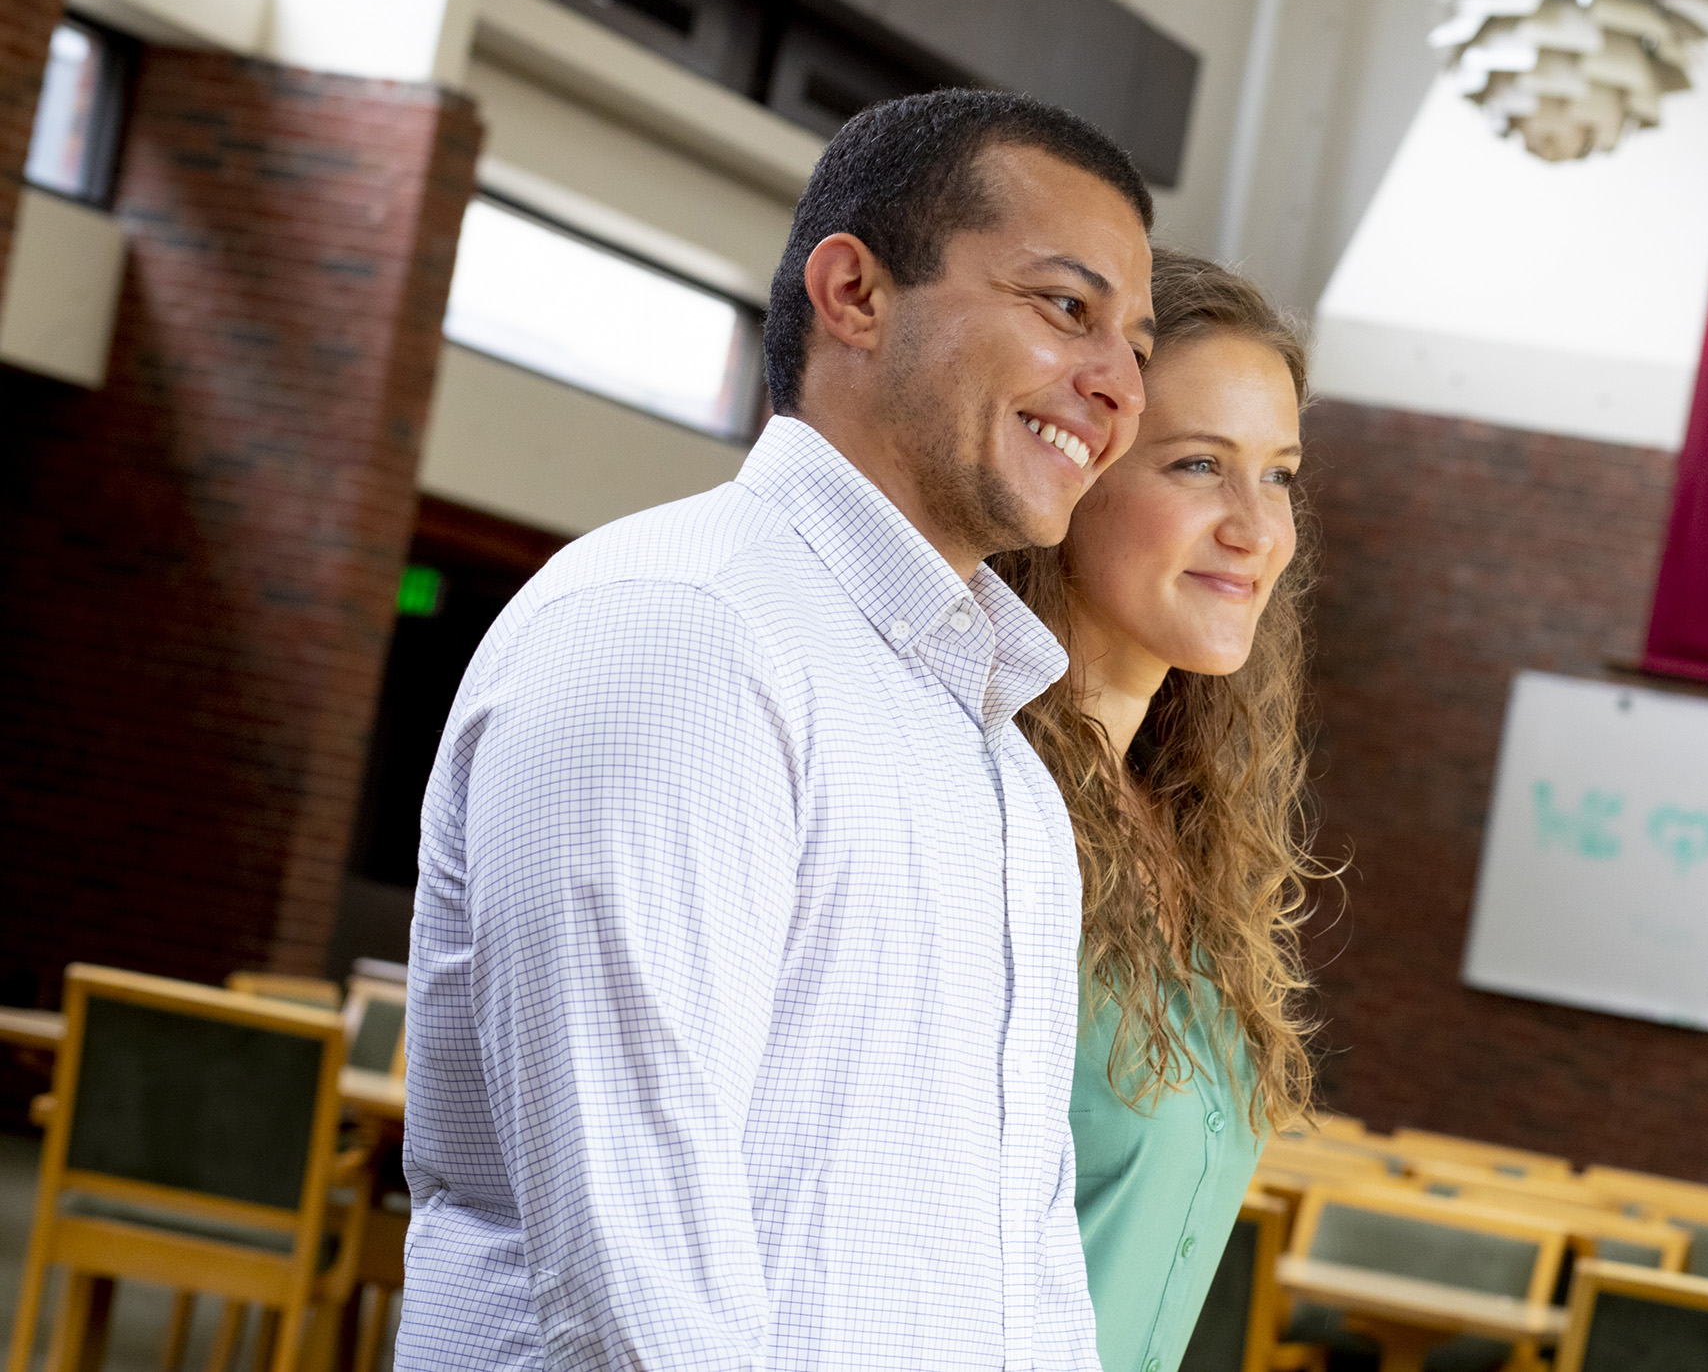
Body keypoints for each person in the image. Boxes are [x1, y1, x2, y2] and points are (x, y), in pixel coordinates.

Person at [399, 90, 1158, 1371]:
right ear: (854, 292)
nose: (1117, 387)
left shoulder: (1001, 755)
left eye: (1136, 342)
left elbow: (1022, 1262)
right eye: (1064, 307)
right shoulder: (684, 634)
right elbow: (630, 1275)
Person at [993, 250, 1326, 1372]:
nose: (1256, 527)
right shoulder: (982, 806)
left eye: (1277, 473)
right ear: (1073, 471)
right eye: (1198, 464)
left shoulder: (1179, 834)